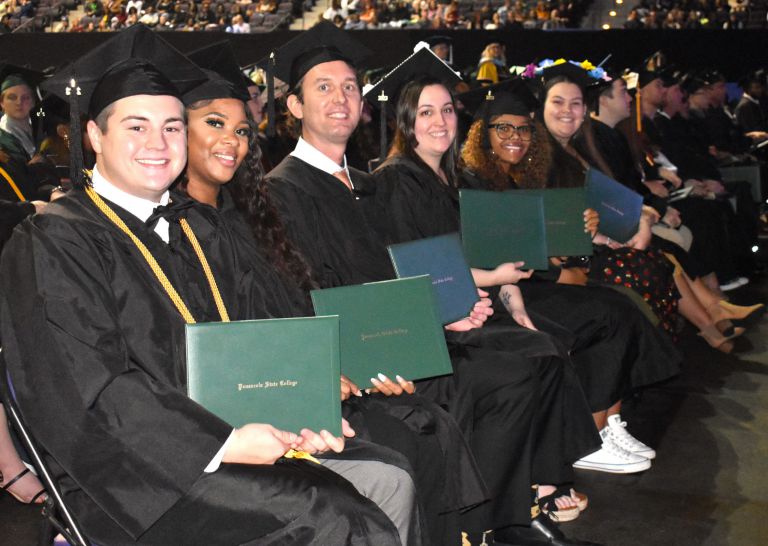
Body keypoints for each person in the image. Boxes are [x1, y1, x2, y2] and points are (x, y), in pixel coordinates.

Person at [1, 25, 404, 546]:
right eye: (136, 127)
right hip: (130, 476)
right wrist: (225, 441)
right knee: (336, 515)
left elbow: (257, 335)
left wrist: (304, 409)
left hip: (231, 441)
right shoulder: (54, 241)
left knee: (391, 475)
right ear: (95, 137)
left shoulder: (199, 227)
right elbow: (92, 391)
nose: (157, 144)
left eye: (171, 128)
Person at [264, 25, 600, 546]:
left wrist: (444, 310)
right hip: (363, 362)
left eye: (350, 86)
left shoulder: (365, 185)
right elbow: (309, 295)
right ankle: (482, 524)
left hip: (404, 340)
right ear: (294, 105)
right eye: (324, 87)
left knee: (523, 366)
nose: (341, 98)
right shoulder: (283, 191)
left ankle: (496, 517)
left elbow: (401, 274)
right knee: (508, 374)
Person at [180, 40, 488, 546]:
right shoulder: (182, 230)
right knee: (411, 437)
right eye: (213, 124)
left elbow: (287, 309)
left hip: (303, 384)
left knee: (426, 424)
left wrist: (346, 367)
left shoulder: (245, 218)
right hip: (249, 411)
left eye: (240, 129)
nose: (230, 140)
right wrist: (321, 377)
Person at [458, 76, 682, 469]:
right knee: (608, 312)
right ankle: (587, 441)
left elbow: (536, 245)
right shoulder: (471, 180)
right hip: (498, 295)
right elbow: (498, 255)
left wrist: (583, 236)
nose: (516, 137)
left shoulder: (516, 178)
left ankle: (604, 426)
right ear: (482, 133)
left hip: (527, 283)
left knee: (615, 305)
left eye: (523, 129)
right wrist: (560, 269)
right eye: (503, 128)